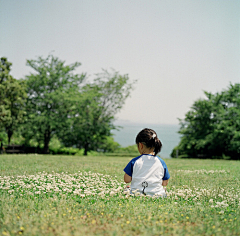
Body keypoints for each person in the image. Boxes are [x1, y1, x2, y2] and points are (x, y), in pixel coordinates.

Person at [123, 128, 170, 197]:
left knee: (127, 189)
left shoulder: (134, 161)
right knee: (163, 190)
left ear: (141, 145)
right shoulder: (161, 162)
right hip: (157, 195)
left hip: (136, 194)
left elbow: (127, 180)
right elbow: (165, 183)